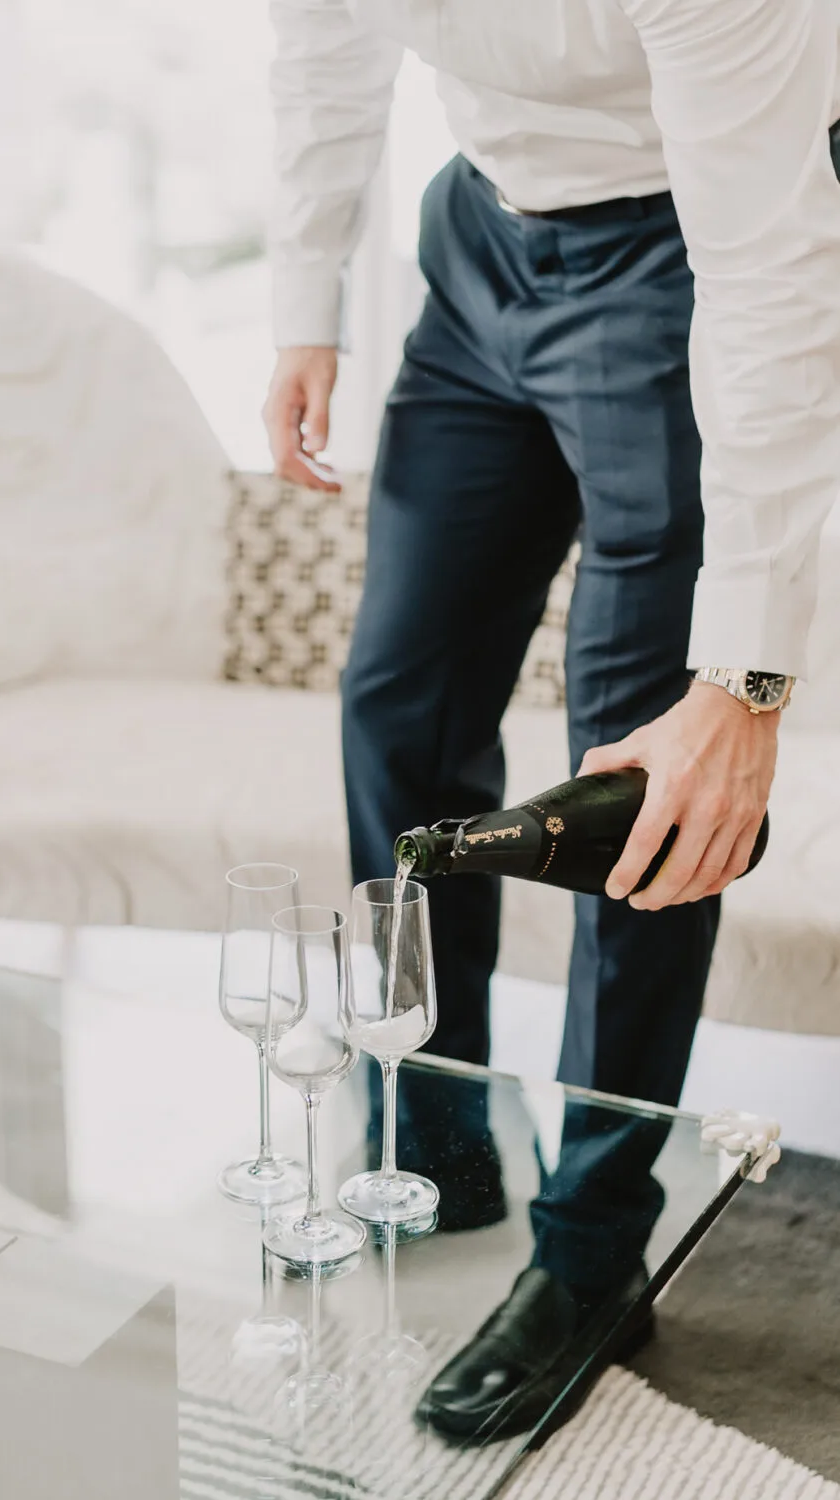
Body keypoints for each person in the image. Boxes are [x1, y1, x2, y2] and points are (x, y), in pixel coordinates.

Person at [262, 0, 840, 1439]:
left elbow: (775, 270)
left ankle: (592, 1250)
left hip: (681, 257)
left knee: (641, 789)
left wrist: (748, 686)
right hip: (477, 249)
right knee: (398, 705)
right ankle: (439, 1134)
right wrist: (302, 303)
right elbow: (322, 50)